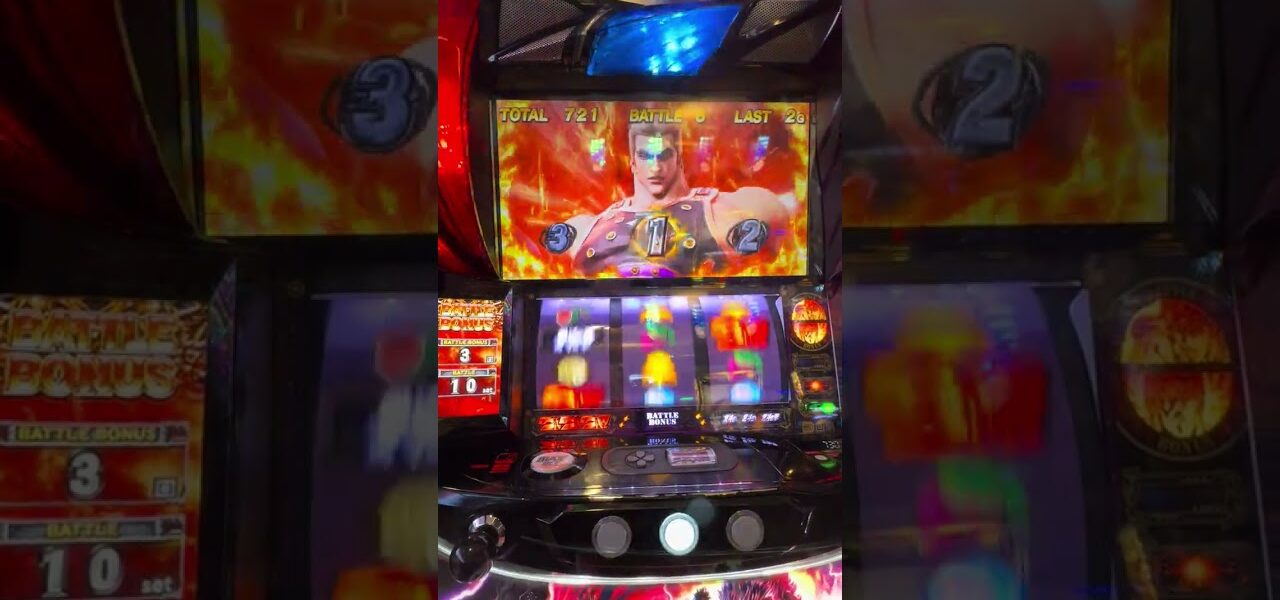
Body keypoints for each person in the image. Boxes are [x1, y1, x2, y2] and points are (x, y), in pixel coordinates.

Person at [547, 121, 790, 278]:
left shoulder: (728, 209)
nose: (655, 167)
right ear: (633, 163)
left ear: (678, 159)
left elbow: (781, 248)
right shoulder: (585, 229)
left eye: (664, 155)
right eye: (645, 156)